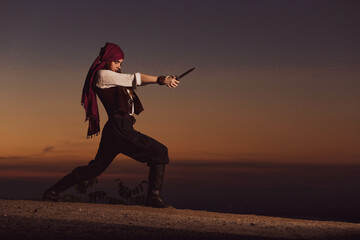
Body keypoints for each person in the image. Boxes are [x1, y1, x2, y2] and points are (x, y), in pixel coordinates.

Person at [42, 42, 180, 208]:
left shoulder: (115, 79)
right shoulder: (102, 75)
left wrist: (167, 80)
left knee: (95, 169)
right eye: (116, 62)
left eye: (121, 63)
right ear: (107, 60)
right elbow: (135, 78)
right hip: (120, 128)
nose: (119, 66)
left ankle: (52, 192)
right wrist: (162, 79)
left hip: (116, 130)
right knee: (160, 151)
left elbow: (133, 82)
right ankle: (153, 198)